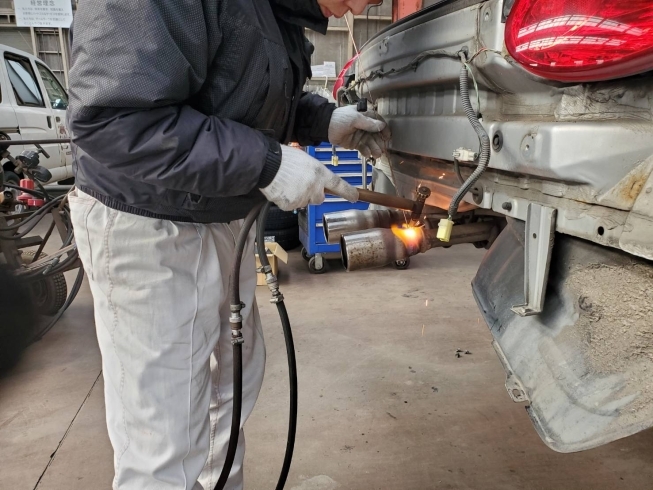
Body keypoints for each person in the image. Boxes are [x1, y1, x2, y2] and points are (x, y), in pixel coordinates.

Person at [67, 1, 388, 489]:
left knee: (228, 397)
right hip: (148, 222)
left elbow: (233, 93)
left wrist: (319, 120)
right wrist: (265, 164)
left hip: (217, 212)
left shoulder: (275, 8)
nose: (375, 4)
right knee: (166, 442)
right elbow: (114, 119)